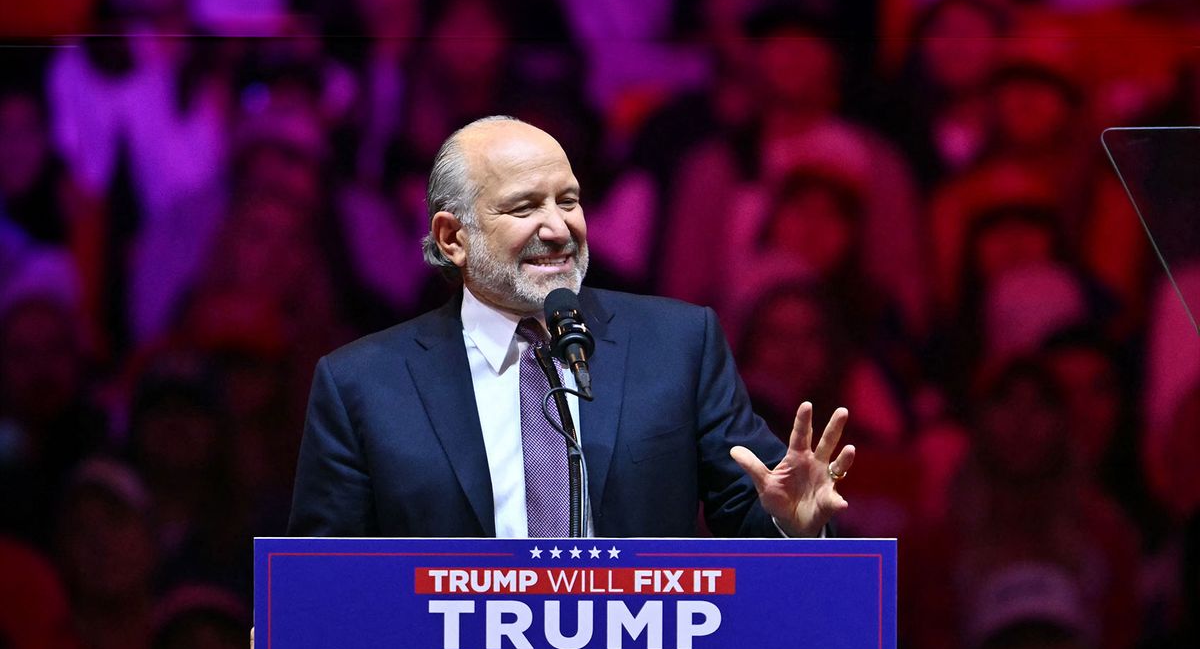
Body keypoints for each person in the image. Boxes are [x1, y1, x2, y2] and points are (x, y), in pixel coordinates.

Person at [287, 115, 853, 541]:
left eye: (569, 201)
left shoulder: (678, 346)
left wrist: (790, 525)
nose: (558, 228)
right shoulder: (362, 386)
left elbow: (754, 517)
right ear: (452, 238)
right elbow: (327, 583)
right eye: (523, 207)